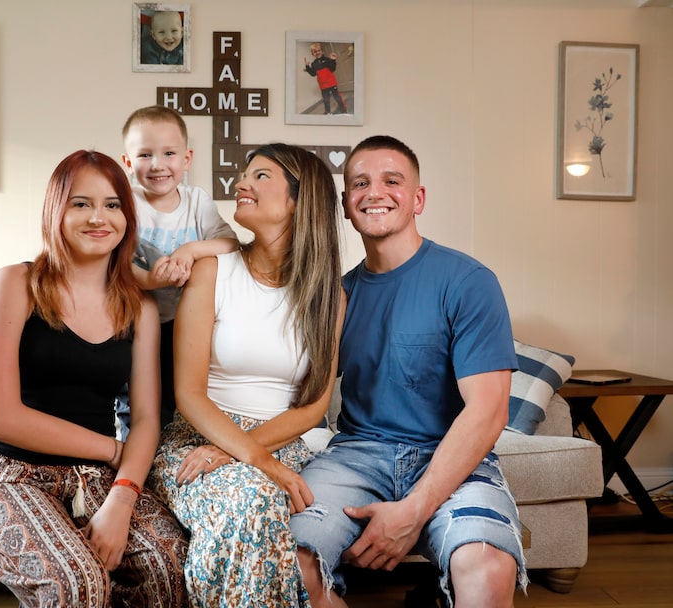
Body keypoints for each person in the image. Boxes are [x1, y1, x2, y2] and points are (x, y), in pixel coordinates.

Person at [290, 135, 527, 608]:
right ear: (345, 205)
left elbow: (488, 411)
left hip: (452, 458)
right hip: (355, 458)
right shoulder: (336, 296)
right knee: (284, 562)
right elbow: (298, 399)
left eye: (391, 181)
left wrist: (414, 510)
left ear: (417, 198)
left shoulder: (467, 281)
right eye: (360, 183)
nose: (374, 192)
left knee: (487, 569)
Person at [0, 150, 188, 608]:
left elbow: (144, 419)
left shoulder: (138, 308)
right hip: (9, 472)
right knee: (79, 585)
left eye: (112, 204)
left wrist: (122, 497)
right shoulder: (16, 283)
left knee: (170, 570)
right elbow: (1, 418)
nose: (98, 217)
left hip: (100, 479)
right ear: (56, 212)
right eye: (80, 204)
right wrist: (111, 449)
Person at [147, 143, 346, 607]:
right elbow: (189, 394)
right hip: (192, 439)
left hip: (277, 441)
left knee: (251, 499)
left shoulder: (329, 296)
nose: (241, 184)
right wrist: (251, 457)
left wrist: (239, 451)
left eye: (261, 176)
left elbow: (314, 406)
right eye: (243, 175)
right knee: (252, 499)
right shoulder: (212, 271)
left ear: (300, 200)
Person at [121, 105, 238, 430]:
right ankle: (134, 452)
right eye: (145, 155)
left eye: (168, 153)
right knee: (140, 401)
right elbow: (116, 263)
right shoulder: (128, 205)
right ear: (128, 163)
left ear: (186, 159)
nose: (158, 165)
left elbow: (231, 245)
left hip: (187, 324)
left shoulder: (196, 201)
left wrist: (191, 250)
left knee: (183, 395)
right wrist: (149, 279)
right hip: (137, 322)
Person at [303, 42, 348, 115]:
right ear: (312, 54)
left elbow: (332, 69)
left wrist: (333, 60)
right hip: (323, 86)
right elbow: (313, 74)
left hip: (332, 83)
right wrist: (307, 67)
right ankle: (328, 112)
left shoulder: (327, 60)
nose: (317, 52)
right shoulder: (314, 64)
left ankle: (343, 109)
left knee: (337, 97)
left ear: (322, 51)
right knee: (326, 100)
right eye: (315, 51)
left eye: (319, 50)